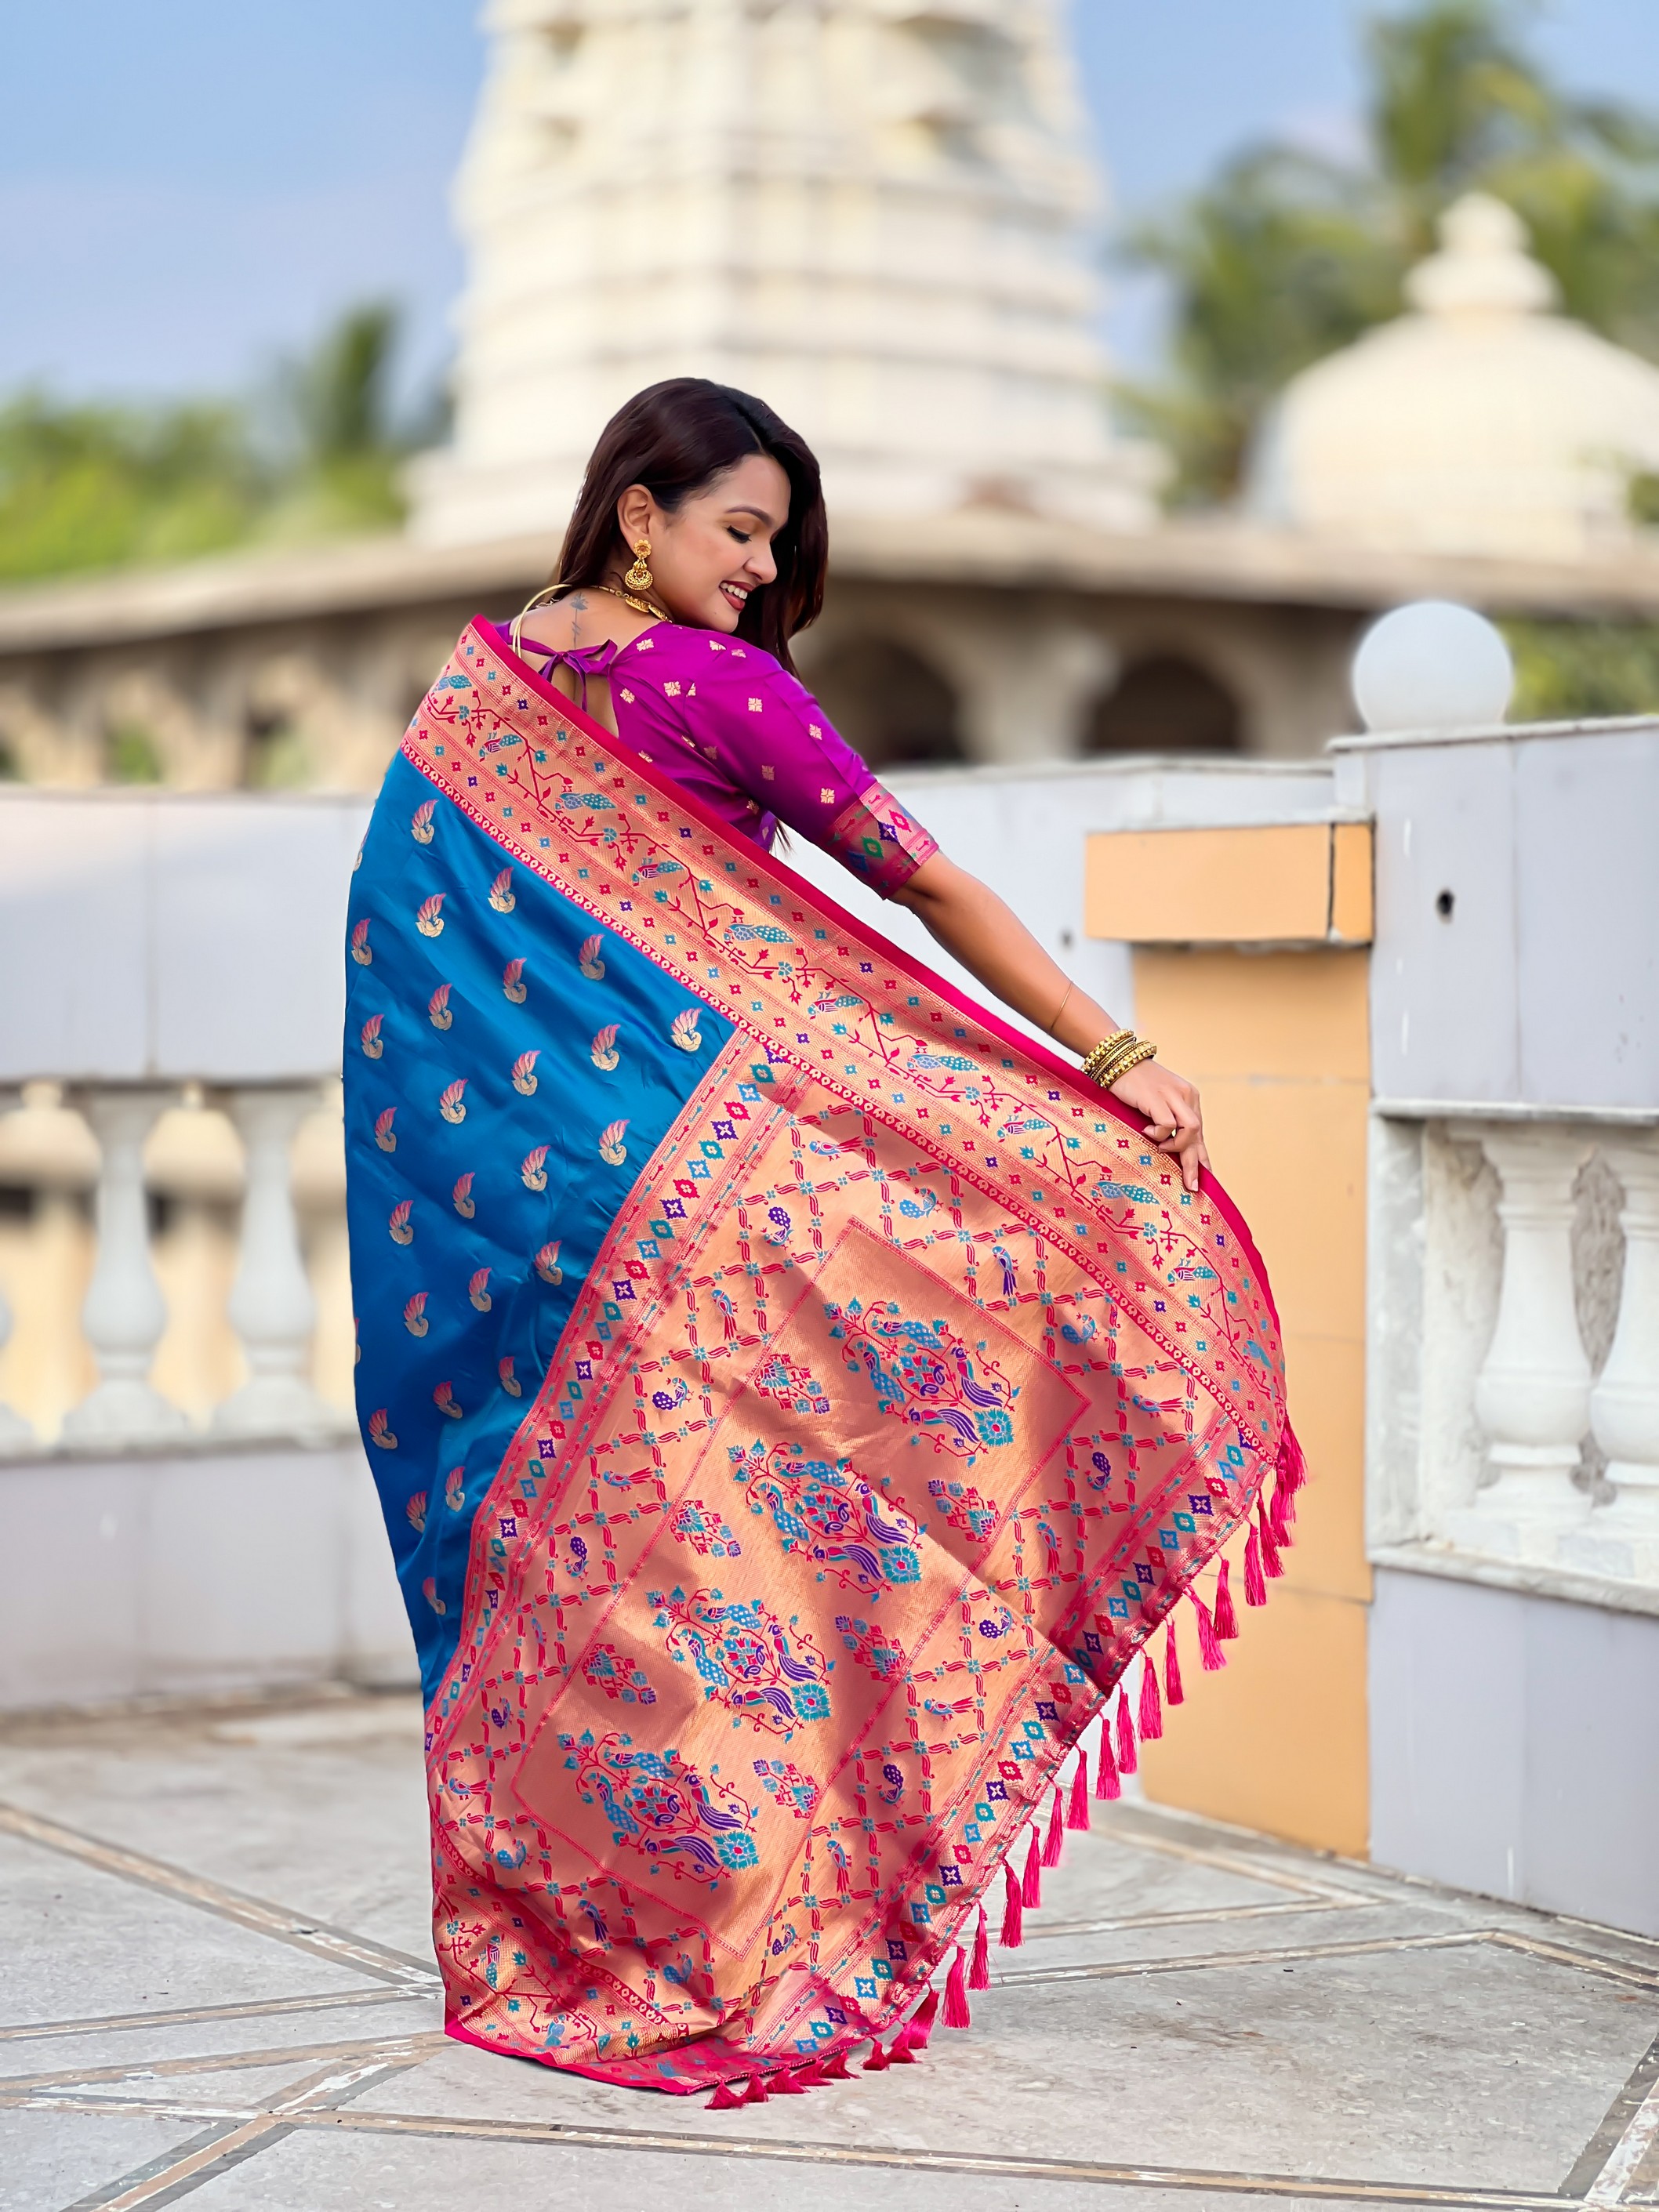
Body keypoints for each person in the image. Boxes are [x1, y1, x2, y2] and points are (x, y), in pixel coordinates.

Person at [343, 378, 1298, 2101]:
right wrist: (1110, 1056)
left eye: (777, 543)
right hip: (693, 1211)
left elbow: (400, 956)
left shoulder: (473, 690)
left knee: (592, 1586)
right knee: (733, 1571)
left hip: (518, 1225)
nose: (760, 569)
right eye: (740, 529)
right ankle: (724, 1949)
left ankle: (560, 1943)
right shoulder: (717, 685)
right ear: (639, 513)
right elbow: (923, 886)